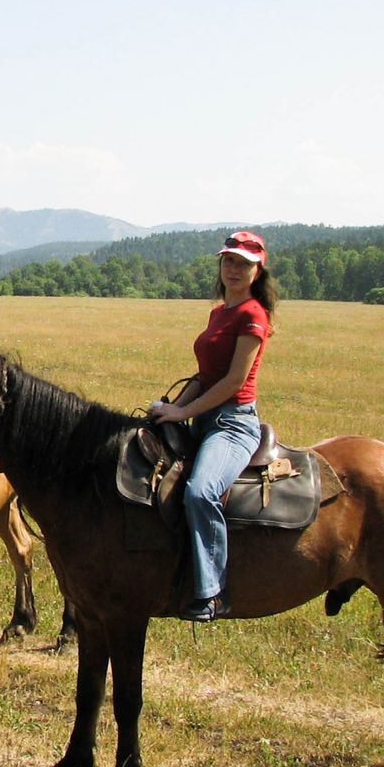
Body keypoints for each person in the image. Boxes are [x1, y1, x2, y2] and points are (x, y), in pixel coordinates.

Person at [148, 230, 277, 622]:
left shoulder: (254, 314)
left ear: (258, 271)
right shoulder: (219, 312)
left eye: (243, 263)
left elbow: (233, 382)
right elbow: (204, 376)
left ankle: (213, 593)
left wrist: (183, 414)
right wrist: (169, 408)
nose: (233, 269)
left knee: (201, 493)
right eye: (228, 261)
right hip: (204, 416)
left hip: (233, 425)